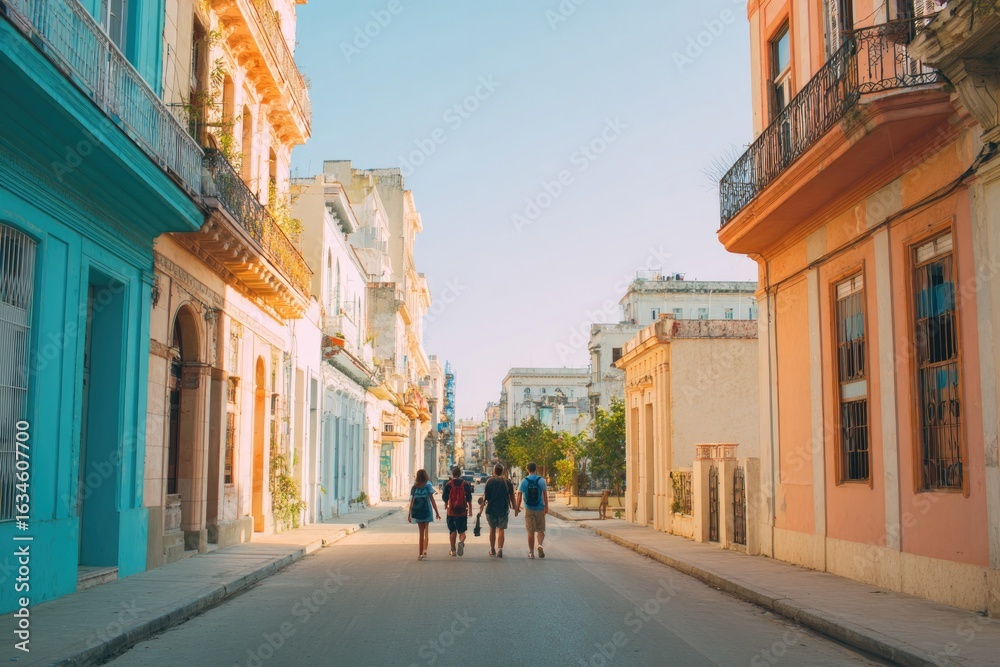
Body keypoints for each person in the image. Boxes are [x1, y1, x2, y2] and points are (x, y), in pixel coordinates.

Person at [478, 464, 517, 558]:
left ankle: (492, 549)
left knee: (492, 529)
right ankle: (500, 549)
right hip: (503, 509)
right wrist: (515, 508)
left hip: (491, 509)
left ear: (494, 471)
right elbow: (512, 497)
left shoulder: (490, 481)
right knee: (501, 530)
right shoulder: (507, 482)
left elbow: (485, 497)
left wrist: (480, 510)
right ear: (503, 471)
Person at [517, 462, 548, 559]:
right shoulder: (541, 480)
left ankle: (531, 552)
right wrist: (546, 507)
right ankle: (539, 545)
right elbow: (545, 494)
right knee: (541, 529)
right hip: (540, 508)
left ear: (527, 470)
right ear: (536, 469)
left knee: (530, 531)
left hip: (529, 508)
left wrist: (517, 507)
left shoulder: (524, 481)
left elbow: (519, 494)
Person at [408, 468, 440, 560]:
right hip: (427, 511)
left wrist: (409, 514)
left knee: (421, 533)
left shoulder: (414, 487)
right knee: (426, 531)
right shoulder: (428, 486)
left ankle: (420, 553)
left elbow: (412, 501)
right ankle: (425, 549)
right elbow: (432, 500)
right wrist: (437, 512)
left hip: (417, 511)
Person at [442, 465, 473, 557]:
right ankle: (461, 542)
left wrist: (446, 504)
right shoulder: (465, 484)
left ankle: (453, 550)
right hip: (462, 511)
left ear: (453, 473)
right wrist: (470, 510)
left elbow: (444, 497)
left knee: (452, 530)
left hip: (451, 511)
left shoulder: (449, 484)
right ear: (460, 474)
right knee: (462, 531)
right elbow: (469, 499)